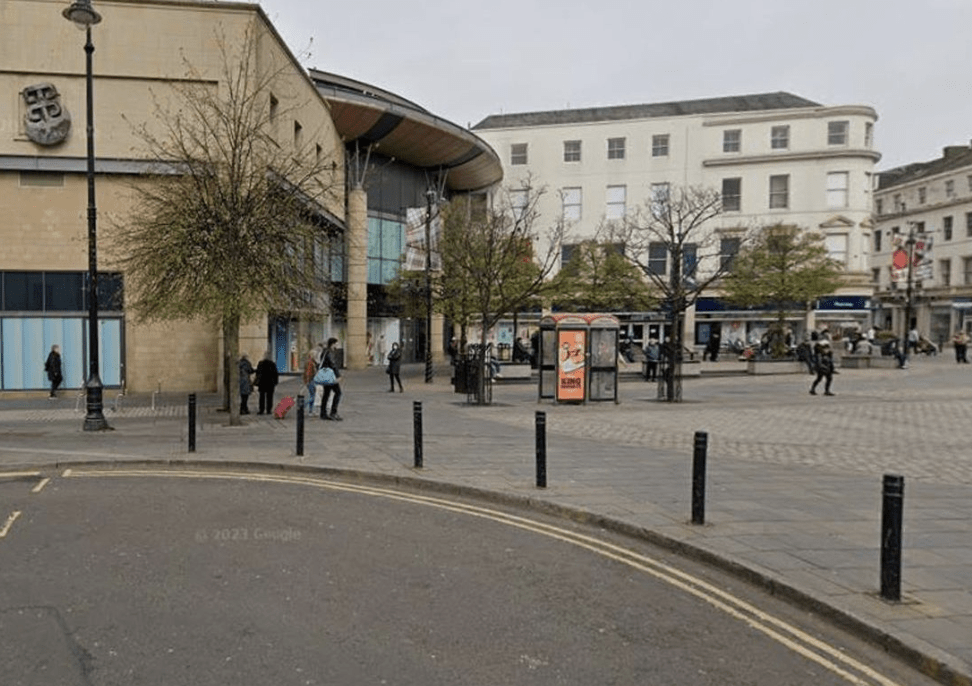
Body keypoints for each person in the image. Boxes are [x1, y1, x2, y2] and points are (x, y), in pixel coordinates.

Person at [319, 337, 343, 421]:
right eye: (336, 343)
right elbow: (333, 365)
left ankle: (323, 413)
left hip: (325, 375)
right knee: (338, 393)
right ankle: (333, 412)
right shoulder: (330, 353)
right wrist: (338, 376)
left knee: (326, 394)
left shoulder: (324, 352)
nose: (337, 345)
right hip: (330, 376)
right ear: (333, 344)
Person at [255, 351, 279, 415]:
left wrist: (257, 381)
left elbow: (257, 373)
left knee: (261, 397)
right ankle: (268, 410)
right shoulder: (272, 364)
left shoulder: (260, 364)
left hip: (262, 383)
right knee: (269, 397)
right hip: (270, 383)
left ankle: (261, 410)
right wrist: (275, 382)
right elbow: (275, 374)